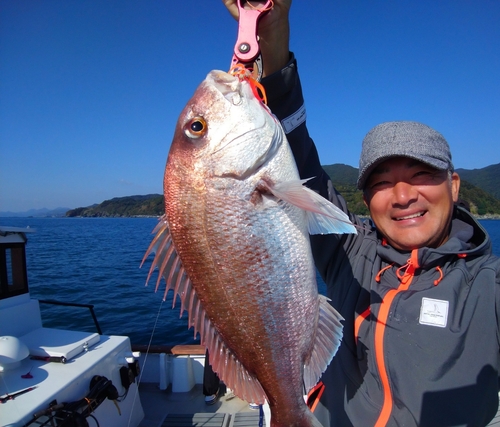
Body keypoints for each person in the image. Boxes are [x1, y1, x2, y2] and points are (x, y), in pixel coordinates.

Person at [223, 1, 500, 426]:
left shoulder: (490, 286)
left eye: (422, 174)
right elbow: (297, 149)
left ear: (455, 185)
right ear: (367, 198)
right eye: (382, 182)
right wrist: (272, 31)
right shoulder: (349, 250)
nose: (403, 195)